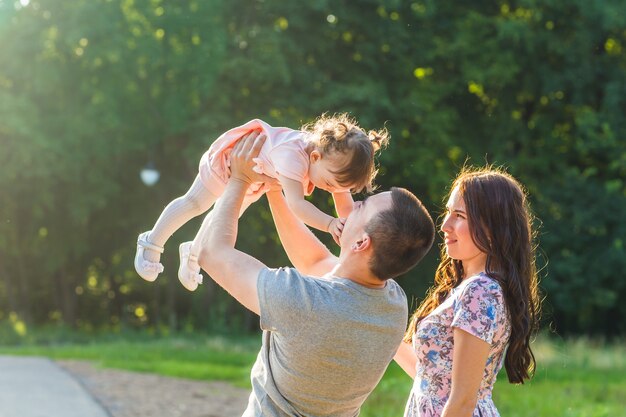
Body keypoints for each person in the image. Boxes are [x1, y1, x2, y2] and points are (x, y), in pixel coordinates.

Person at [197, 132, 436, 417]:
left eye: (360, 207)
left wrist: (239, 179)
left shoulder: (301, 300)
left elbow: (212, 253)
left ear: (361, 243)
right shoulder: (392, 305)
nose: (352, 205)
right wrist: (276, 189)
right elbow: (316, 262)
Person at [134, 114, 388, 291]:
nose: (332, 191)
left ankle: (193, 253)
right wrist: (331, 223)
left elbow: (344, 205)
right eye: (331, 185)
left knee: (224, 218)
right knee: (196, 203)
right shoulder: (292, 158)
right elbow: (297, 205)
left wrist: (356, 230)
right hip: (229, 162)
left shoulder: (328, 163)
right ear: (314, 156)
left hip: (255, 179)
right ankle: (152, 241)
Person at [394, 167, 541, 417]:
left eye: (459, 215)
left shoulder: (479, 292)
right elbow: (431, 377)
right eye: (448, 213)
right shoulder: (469, 288)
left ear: (493, 229)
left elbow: (462, 402)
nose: (444, 225)